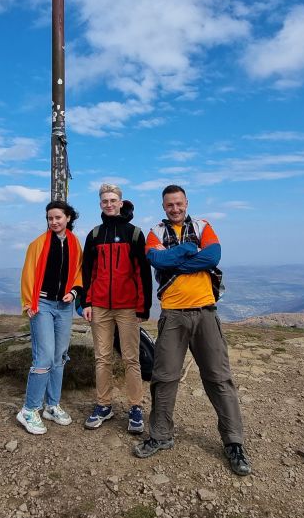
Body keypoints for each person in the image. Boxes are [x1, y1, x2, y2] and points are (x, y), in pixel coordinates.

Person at [133, 185, 252, 476]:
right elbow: (157, 260)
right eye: (169, 205)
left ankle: (233, 443)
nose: (174, 208)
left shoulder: (203, 225)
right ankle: (160, 435)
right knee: (163, 377)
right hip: (173, 314)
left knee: (219, 377)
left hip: (205, 311)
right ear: (164, 207)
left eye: (178, 203)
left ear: (186, 203)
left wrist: (177, 259)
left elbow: (212, 257)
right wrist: (189, 250)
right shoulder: (155, 232)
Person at [78, 184, 153, 434]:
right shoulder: (95, 235)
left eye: (113, 200)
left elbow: (143, 273)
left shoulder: (134, 234)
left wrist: (144, 306)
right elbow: (87, 272)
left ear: (121, 203)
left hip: (128, 307)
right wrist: (85, 303)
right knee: (102, 358)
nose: (108, 204)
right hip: (99, 305)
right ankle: (104, 405)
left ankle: (135, 407)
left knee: (132, 359)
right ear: (100, 204)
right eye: (104, 201)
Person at [16, 200, 83, 435]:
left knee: (59, 356)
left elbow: (78, 273)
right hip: (42, 304)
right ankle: (29, 409)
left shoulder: (75, 243)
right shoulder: (39, 244)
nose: (53, 222)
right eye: (50, 218)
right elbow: (28, 273)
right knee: (43, 358)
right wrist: (28, 303)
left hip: (64, 306)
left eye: (58, 217)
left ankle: (51, 406)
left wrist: (74, 292)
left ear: (68, 218)